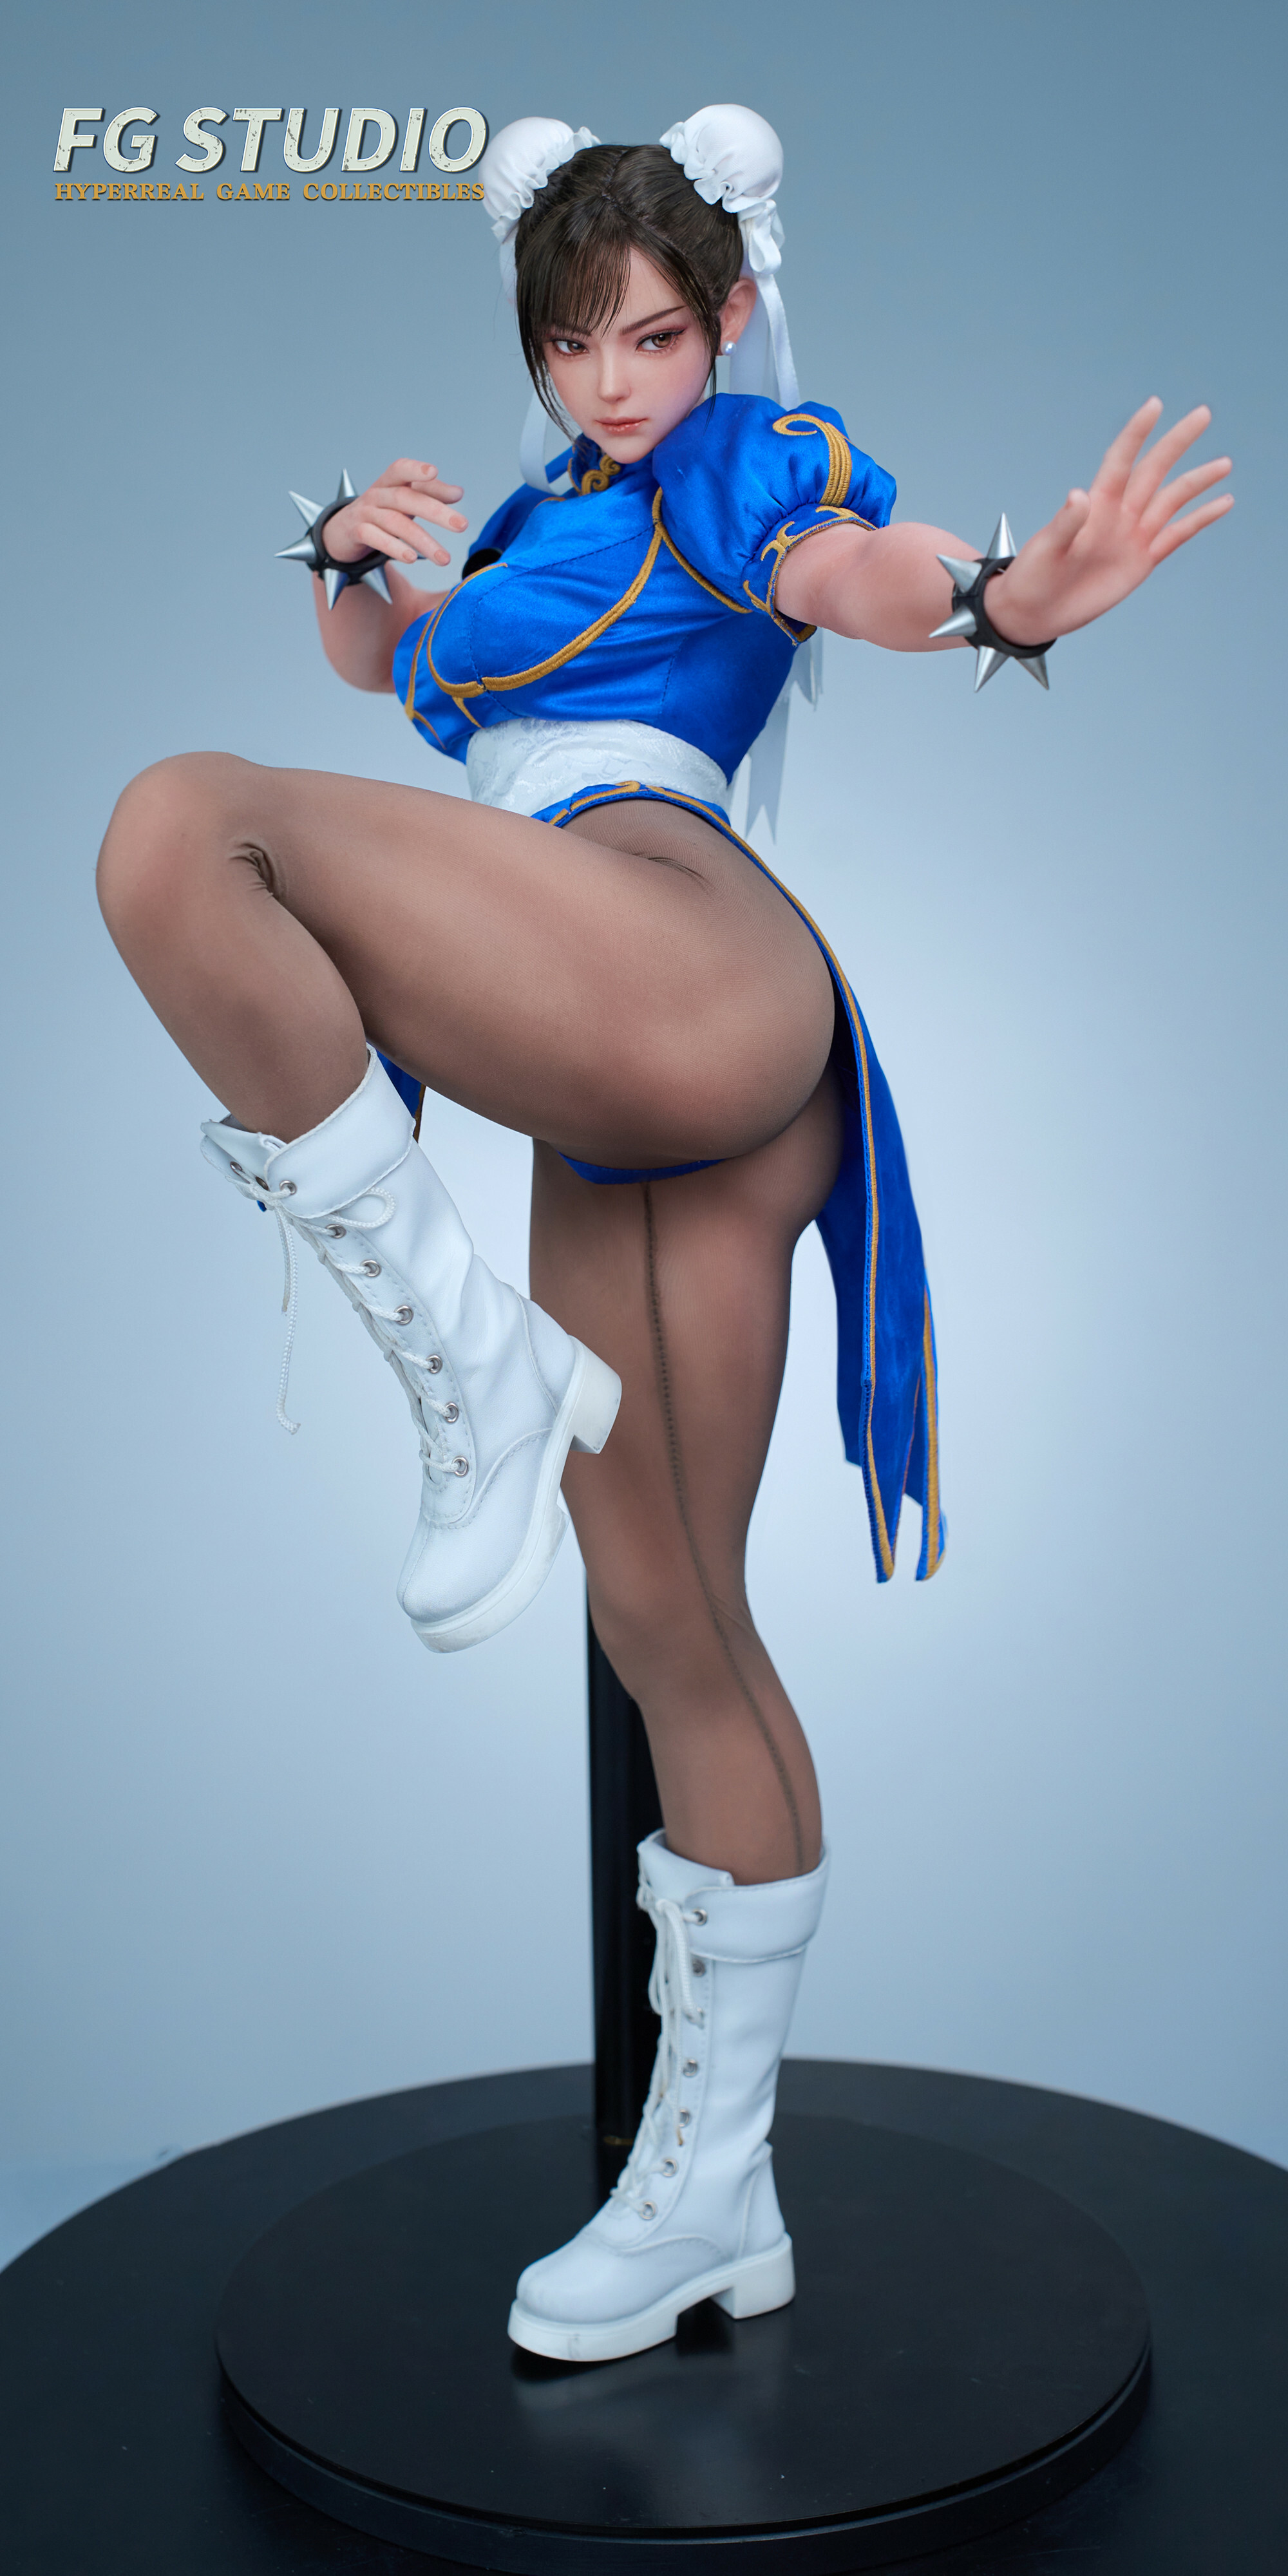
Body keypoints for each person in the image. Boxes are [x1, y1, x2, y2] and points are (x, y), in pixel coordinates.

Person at [95, 107, 1232, 2367]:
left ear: (721, 321)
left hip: (683, 956)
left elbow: (851, 569)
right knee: (670, 1627)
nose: (617, 381)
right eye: (575, 343)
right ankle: (719, 2197)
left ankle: (479, 1377)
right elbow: (393, 661)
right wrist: (344, 549)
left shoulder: (737, 465)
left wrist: (1002, 597)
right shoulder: (536, 525)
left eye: (654, 334)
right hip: (619, 1065)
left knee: (179, 832)